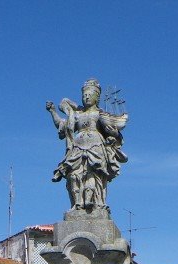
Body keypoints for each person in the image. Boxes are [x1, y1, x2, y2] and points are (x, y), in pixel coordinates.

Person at [47, 79, 128, 210]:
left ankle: (96, 204)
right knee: (73, 175)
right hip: (77, 148)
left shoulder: (100, 114)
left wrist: (114, 136)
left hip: (96, 147)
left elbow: (113, 133)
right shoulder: (77, 114)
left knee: (94, 174)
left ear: (97, 97)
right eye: (84, 95)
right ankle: (77, 204)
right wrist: (53, 112)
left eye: (90, 94)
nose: (86, 97)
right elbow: (62, 125)